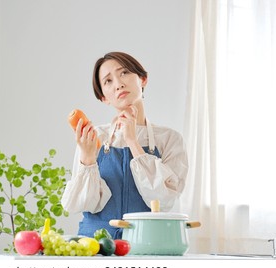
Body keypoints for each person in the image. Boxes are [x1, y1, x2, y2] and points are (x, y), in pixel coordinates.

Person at [61, 51, 188, 239]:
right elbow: (81, 203)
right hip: (94, 246)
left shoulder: (170, 139)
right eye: (108, 81)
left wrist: (132, 142)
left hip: (146, 243)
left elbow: (163, 199)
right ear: (104, 97)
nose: (118, 83)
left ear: (143, 79)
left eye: (124, 73)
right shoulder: (93, 138)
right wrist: (87, 159)